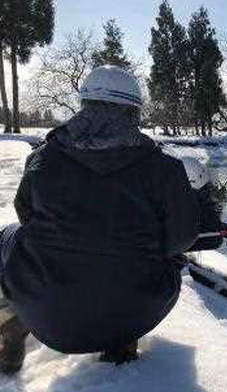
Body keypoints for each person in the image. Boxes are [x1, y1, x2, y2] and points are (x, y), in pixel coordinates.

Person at [0, 65, 201, 373]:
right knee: (155, 260)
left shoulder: (42, 158)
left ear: (84, 105)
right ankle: (120, 343)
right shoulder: (166, 169)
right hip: (136, 310)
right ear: (133, 112)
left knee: (7, 237)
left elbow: (25, 215)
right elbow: (182, 239)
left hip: (46, 315)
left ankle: (11, 326)